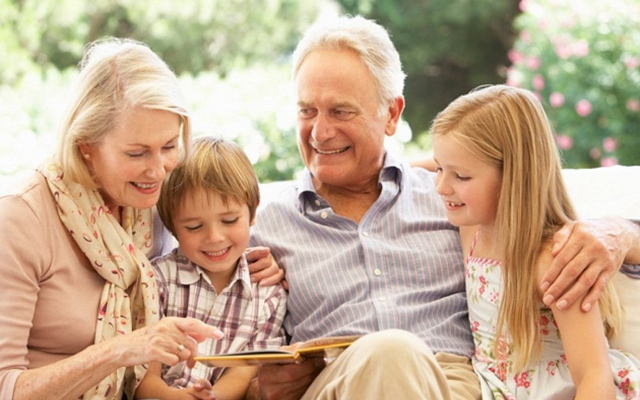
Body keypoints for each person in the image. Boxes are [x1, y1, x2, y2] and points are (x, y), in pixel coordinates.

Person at [247, 15, 640, 400]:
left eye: (340, 111)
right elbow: (221, 350)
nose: (319, 132)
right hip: (335, 382)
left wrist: (623, 232)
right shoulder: (259, 226)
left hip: (450, 383)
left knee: (396, 355)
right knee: (390, 353)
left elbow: (527, 195)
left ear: (392, 114)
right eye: (306, 111)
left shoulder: (455, 203)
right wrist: (256, 388)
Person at [0, 38, 281, 400]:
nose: (157, 170)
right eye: (136, 153)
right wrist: (122, 350)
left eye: (169, 146)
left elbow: (216, 227)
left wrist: (261, 261)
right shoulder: (20, 218)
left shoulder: (151, 203)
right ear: (85, 145)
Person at [431, 84, 640, 399]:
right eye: (438, 168)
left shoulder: (551, 263)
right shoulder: (472, 230)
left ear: (513, 178)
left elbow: (594, 376)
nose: (441, 187)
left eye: (460, 176)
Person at [135, 137, 287, 399]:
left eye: (229, 220)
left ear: (252, 214)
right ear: (173, 228)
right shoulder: (157, 280)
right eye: (194, 227)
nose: (215, 237)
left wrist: (212, 396)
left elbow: (245, 371)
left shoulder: (268, 294)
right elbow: (143, 376)